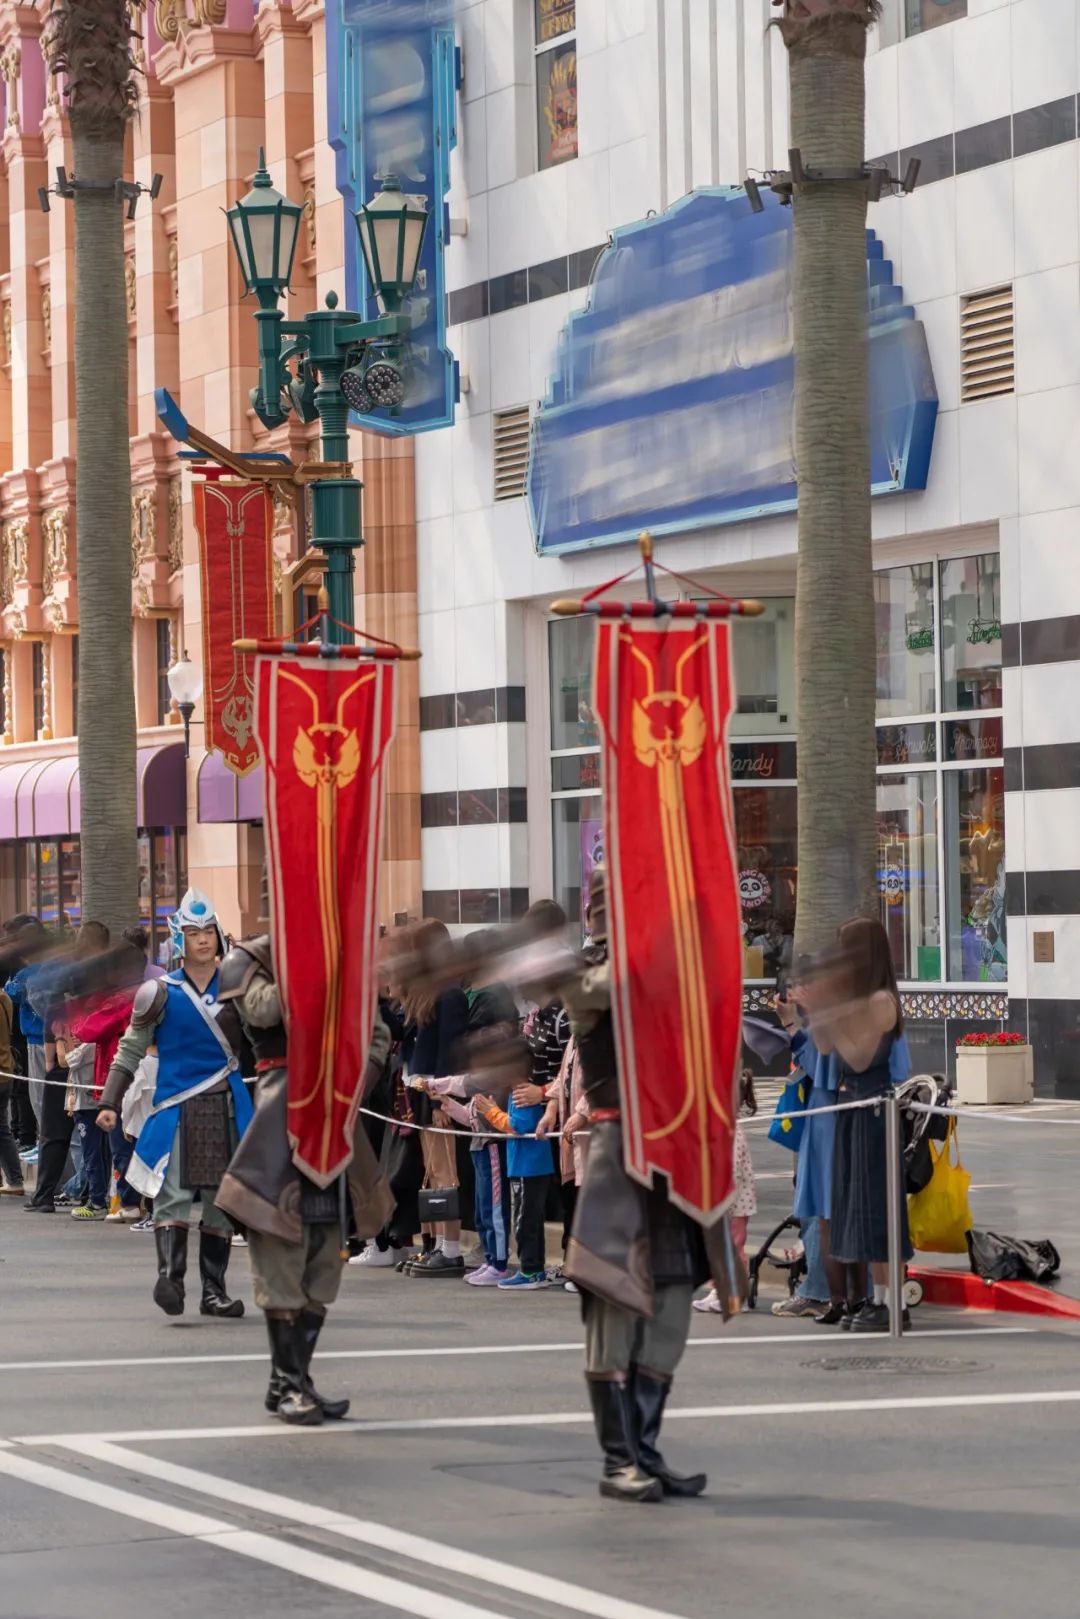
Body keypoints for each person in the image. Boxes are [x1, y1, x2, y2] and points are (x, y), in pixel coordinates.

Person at [555, 867, 738, 1503]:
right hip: (615, 1155)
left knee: (670, 1312)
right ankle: (618, 1460)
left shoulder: (667, 965)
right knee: (614, 1311)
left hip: (672, 1156)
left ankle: (646, 1448)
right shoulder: (585, 972)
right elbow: (620, 987)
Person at [215, 935, 394, 1424]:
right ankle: (291, 1383)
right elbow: (262, 1011)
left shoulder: (347, 954)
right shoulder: (250, 958)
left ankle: (292, 1378)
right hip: (279, 1118)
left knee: (324, 1264)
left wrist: (357, 1085)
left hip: (335, 1121)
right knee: (280, 1259)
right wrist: (316, 965)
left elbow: (375, 1034)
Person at [96, 889, 254, 1320]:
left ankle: (214, 1292)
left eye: (207, 931)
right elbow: (130, 1050)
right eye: (193, 932)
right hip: (177, 1108)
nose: (202, 939)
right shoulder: (157, 993)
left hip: (225, 1105)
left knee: (221, 1200)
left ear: (218, 935)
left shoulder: (240, 987)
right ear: (179, 938)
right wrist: (110, 1100)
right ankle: (170, 1277)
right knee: (174, 1194)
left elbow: (265, 1043)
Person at [796, 917, 912, 1335]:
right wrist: (817, 1012)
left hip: (874, 1111)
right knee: (858, 1207)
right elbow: (826, 1047)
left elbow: (860, 1058)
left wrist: (831, 1009)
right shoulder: (861, 999)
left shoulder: (881, 1000)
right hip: (852, 1108)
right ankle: (875, 1299)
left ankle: (892, 1302)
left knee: (879, 1209)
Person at [396, 920, 470, 1278]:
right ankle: (437, 1245)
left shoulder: (449, 993)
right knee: (432, 1169)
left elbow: (449, 1051)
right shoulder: (425, 991)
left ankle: (451, 1248)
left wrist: (443, 1100)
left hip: (440, 1094)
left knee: (445, 1172)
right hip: (421, 1091)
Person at [0, 976, 24, 1197]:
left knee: (2, 1129)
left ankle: (15, 1179)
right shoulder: (5, 998)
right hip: (6, 1067)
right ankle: (13, 1179)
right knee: (2, 1127)